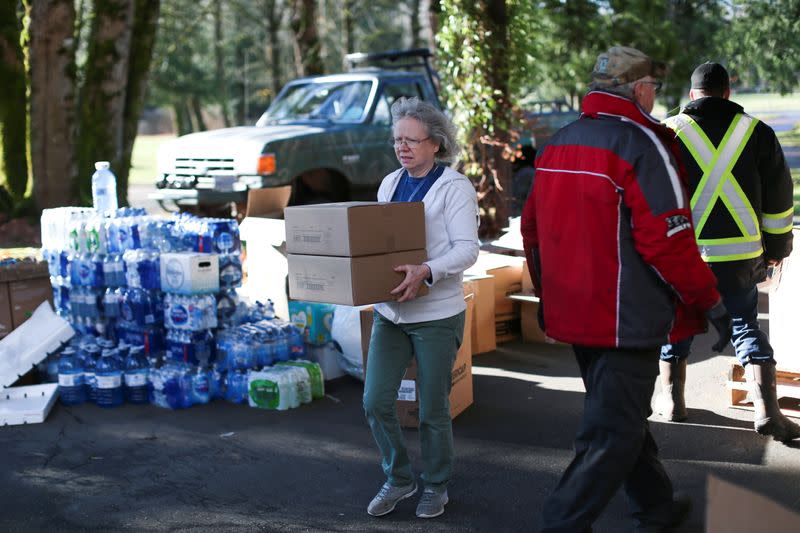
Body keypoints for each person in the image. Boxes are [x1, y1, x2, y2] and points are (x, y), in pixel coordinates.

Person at [520, 46, 733, 532]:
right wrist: (711, 302)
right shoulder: (642, 144)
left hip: (576, 314)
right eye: (654, 88)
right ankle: (560, 523)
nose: (655, 96)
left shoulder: (558, 143)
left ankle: (656, 507)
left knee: (620, 417)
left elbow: (531, 230)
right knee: (610, 434)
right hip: (625, 319)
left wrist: (548, 298)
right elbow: (669, 242)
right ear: (639, 90)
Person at [656, 62, 800, 441]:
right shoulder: (757, 132)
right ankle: (767, 411)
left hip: (684, 256)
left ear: (692, 96)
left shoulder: (667, 132)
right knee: (744, 324)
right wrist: (777, 248)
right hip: (739, 257)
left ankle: (673, 403)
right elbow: (780, 200)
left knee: (678, 321)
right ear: (727, 93)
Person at [362, 96, 479, 519]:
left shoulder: (455, 188)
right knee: (375, 402)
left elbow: (468, 250)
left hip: (436, 315)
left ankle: (436, 484)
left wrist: (426, 270)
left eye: (412, 140)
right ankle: (398, 477)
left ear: (436, 143)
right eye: (397, 140)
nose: (403, 148)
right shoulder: (389, 183)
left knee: (432, 410)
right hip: (391, 313)